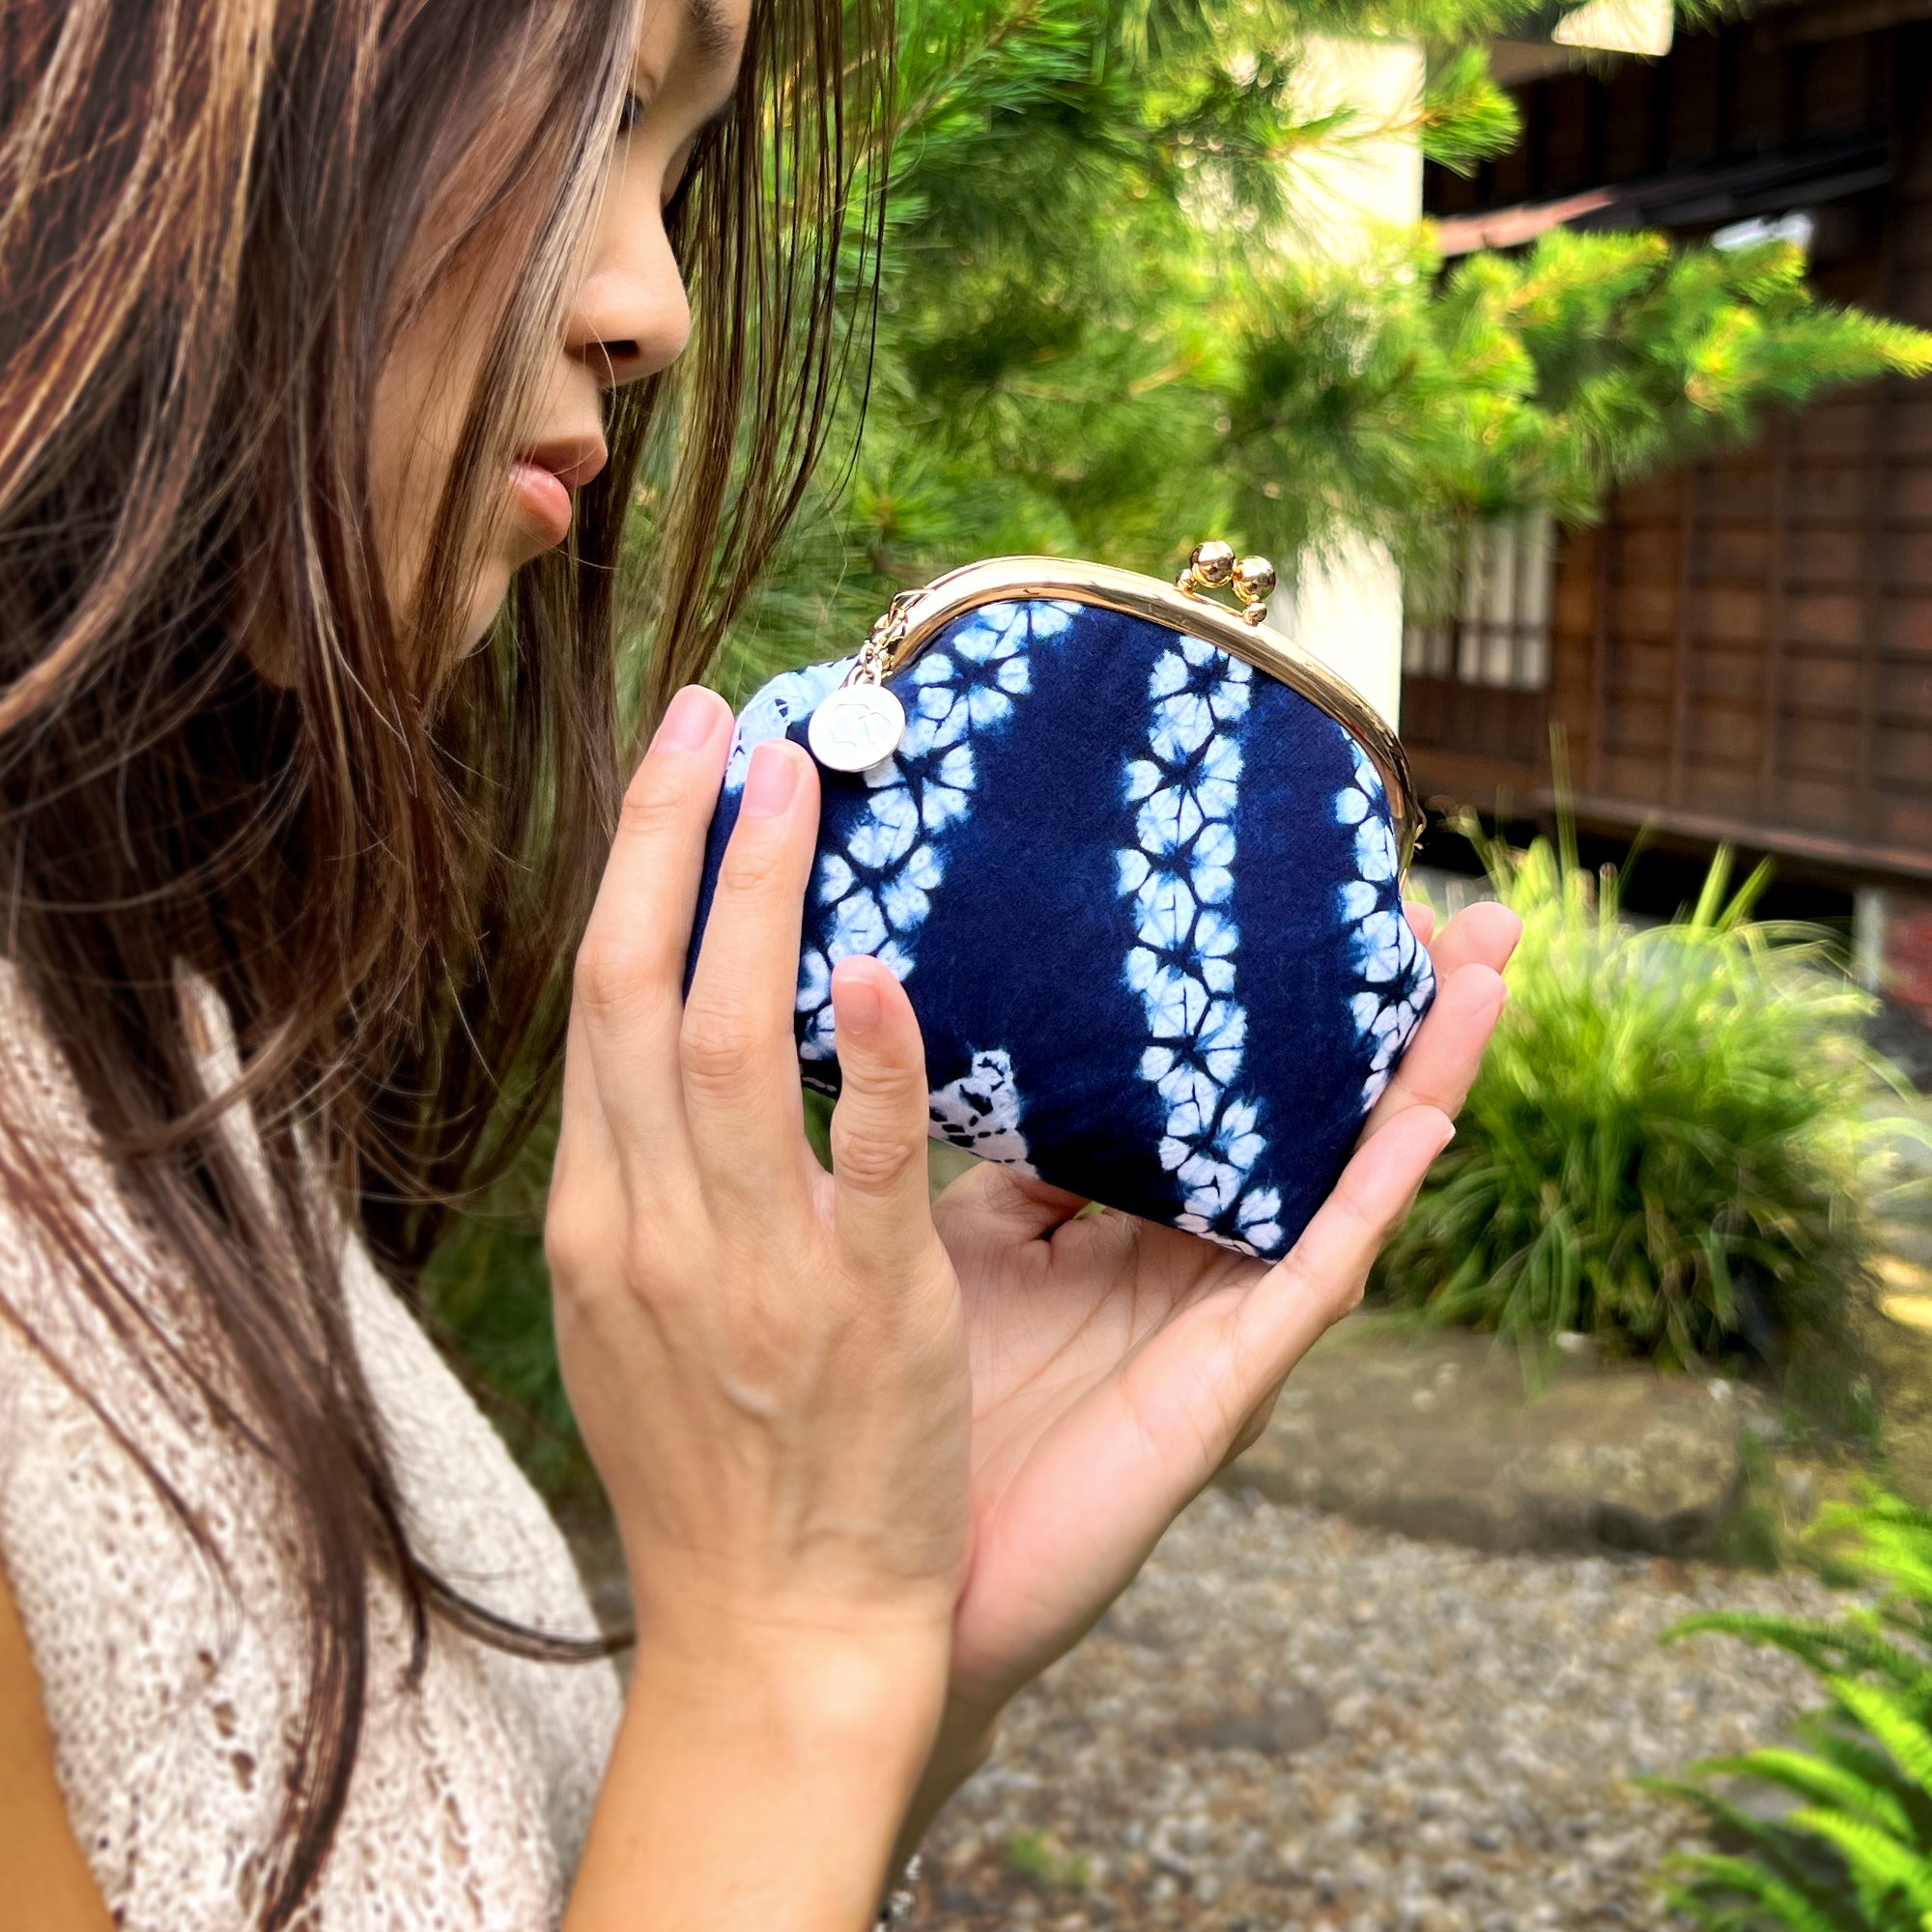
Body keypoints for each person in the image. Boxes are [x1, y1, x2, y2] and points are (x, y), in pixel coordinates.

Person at [0, 0, 1520, 1926]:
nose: (658, 307)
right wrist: (782, 1655)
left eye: (669, 162)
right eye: (600, 110)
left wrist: (898, 1620)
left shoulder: (144, 1042)